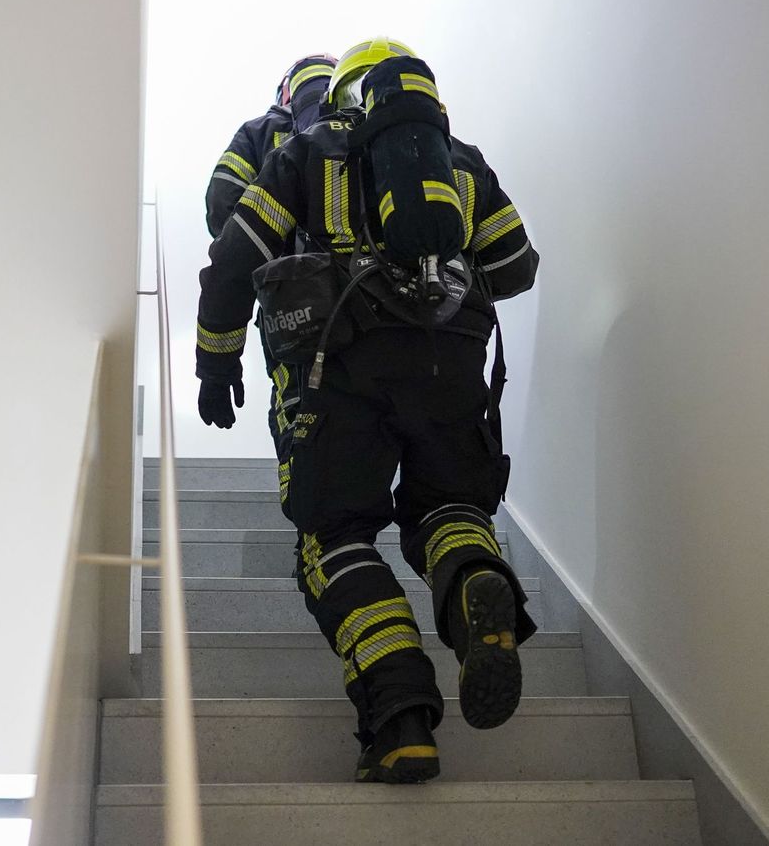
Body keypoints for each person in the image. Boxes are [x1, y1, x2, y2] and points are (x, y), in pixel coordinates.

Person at [194, 38, 539, 784]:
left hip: (340, 369)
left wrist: (215, 360)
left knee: (337, 539)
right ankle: (475, 583)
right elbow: (515, 267)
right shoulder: (460, 160)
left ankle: (402, 719)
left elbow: (232, 254)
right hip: (451, 363)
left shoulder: (306, 150)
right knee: (451, 510)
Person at [201, 54, 337, 504]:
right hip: (381, 309)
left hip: (293, 307)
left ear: (284, 94)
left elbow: (223, 207)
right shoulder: (367, 135)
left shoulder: (259, 133)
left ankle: (321, 539)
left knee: (302, 421)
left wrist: (272, 250)